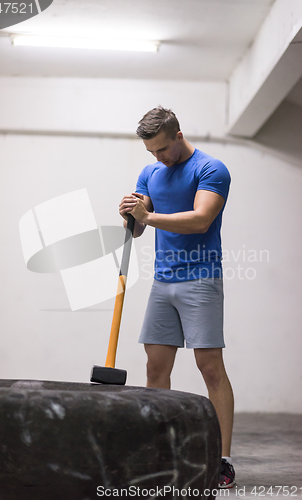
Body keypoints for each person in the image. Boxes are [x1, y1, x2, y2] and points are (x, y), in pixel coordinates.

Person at [119, 106, 235, 489]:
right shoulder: (151, 172)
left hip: (201, 279)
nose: (158, 158)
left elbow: (200, 219)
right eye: (151, 152)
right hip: (163, 281)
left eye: (163, 149)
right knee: (155, 369)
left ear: (179, 136)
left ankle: (221, 460)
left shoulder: (211, 169)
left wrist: (147, 217)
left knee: (210, 367)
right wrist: (130, 215)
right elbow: (137, 230)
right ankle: (159, 451)